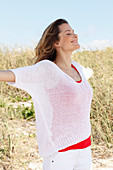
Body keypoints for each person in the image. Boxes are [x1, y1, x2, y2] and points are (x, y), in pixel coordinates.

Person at [0, 19, 94, 170]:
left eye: (74, 32)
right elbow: (12, 75)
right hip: (61, 153)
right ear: (56, 42)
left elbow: (87, 74)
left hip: (85, 149)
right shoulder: (46, 70)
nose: (75, 35)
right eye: (68, 33)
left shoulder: (78, 68)